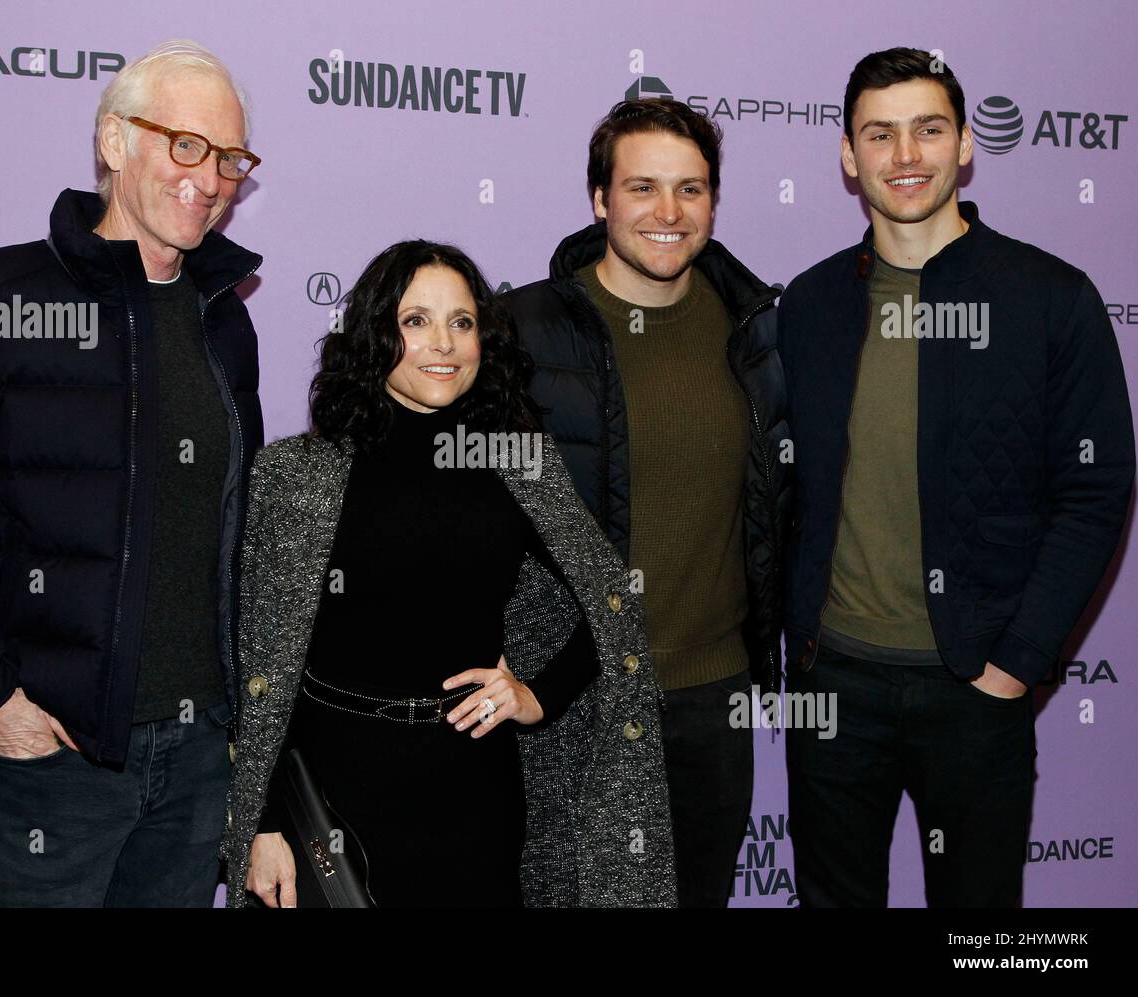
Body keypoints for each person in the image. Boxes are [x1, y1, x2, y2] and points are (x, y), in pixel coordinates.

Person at [0, 40, 264, 906]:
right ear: (114, 143)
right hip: (55, 756)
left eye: (230, 158)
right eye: (184, 145)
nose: (212, 178)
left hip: (197, 762)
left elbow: (234, 535)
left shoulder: (225, 324)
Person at [777, 47, 1135, 906]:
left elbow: (1096, 490)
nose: (905, 155)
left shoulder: (1051, 298)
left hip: (975, 689)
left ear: (966, 144)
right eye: (880, 133)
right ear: (846, 154)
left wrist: (1016, 661)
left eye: (928, 129)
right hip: (832, 688)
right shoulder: (811, 305)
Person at [222, 241, 676, 907]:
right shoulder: (296, 475)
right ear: (376, 334)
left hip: (474, 796)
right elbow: (256, 662)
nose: (444, 343)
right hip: (331, 799)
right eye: (416, 321)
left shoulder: (518, 464)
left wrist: (538, 694)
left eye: (462, 322)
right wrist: (260, 824)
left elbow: (613, 606)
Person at [502, 98, 789, 907]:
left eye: (691, 190)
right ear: (600, 200)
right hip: (573, 697)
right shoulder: (523, 329)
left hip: (712, 698)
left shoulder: (753, 329)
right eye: (643, 188)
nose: (669, 213)